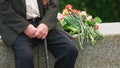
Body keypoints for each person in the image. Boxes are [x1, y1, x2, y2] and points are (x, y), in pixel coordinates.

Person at [0, 0, 78, 68]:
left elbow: (53, 3)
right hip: (17, 26)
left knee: (69, 49)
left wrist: (46, 24)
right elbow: (3, 7)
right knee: (25, 56)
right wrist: (25, 26)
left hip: (43, 21)